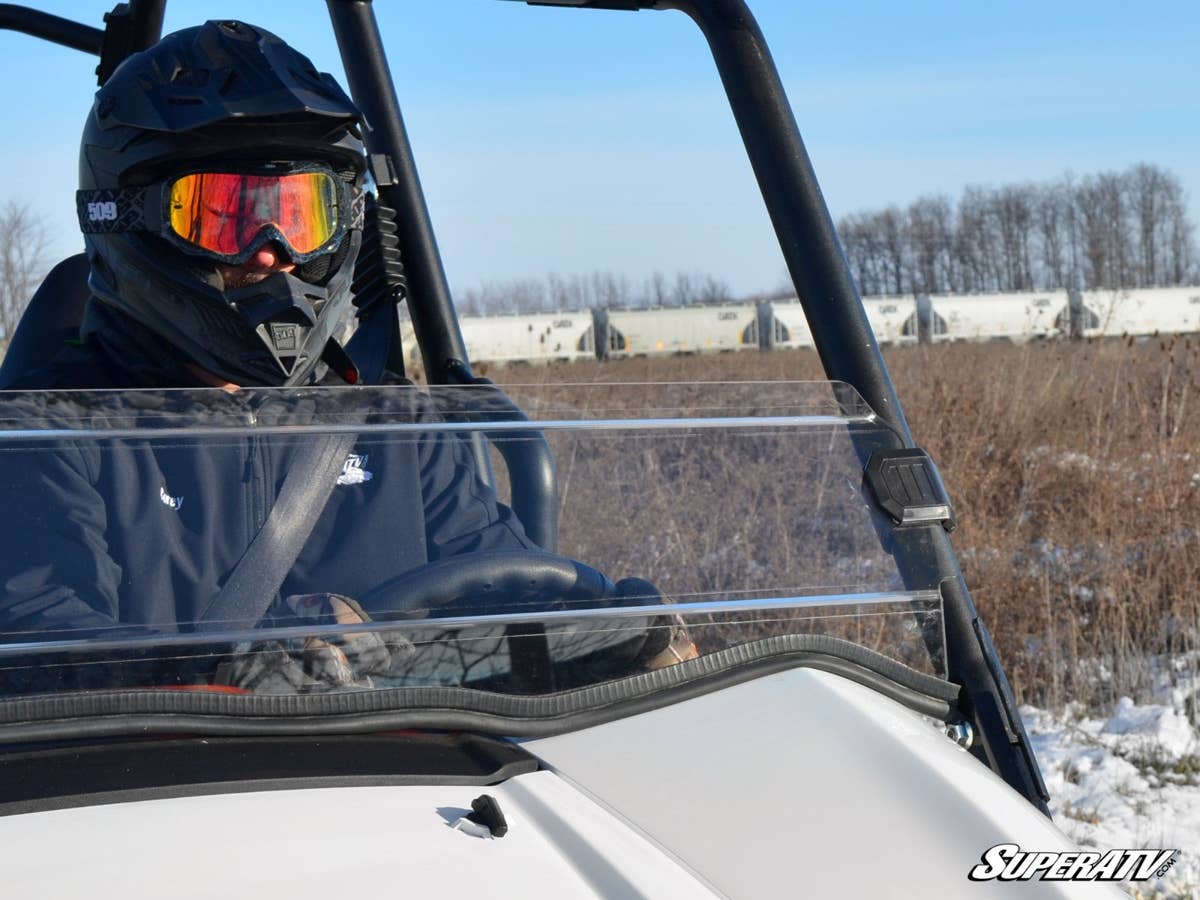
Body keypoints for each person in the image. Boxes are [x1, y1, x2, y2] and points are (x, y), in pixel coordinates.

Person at [0, 20, 546, 692]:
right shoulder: (52, 433)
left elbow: (512, 598)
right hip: (171, 785)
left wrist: (611, 626)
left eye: (304, 214)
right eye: (223, 215)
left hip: (416, 781)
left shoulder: (399, 429)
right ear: (126, 219)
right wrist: (221, 675)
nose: (274, 251)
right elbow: (42, 647)